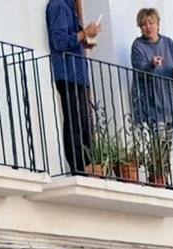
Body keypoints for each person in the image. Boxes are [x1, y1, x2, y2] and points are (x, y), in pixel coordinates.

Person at [46, 0, 99, 172]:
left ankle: (89, 164)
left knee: (85, 121)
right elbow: (58, 41)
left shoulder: (70, 7)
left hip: (78, 74)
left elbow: (71, 38)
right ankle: (79, 166)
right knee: (74, 120)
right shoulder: (59, 5)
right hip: (68, 73)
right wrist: (84, 34)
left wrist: (85, 39)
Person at [128, 5, 173, 131]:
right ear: (140, 28)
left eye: (151, 23)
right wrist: (151, 64)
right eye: (143, 24)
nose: (148, 27)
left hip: (168, 103)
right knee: (159, 143)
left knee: (167, 145)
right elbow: (140, 70)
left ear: (158, 24)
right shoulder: (138, 46)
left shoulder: (168, 43)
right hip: (148, 104)